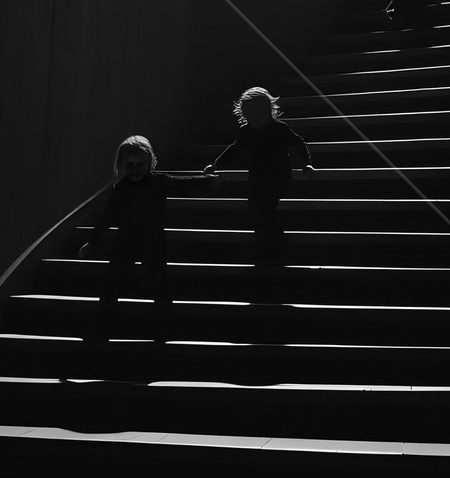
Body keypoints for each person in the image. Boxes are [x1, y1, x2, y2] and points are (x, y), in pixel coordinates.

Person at [79, 135, 211, 356]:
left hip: (153, 241)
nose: (134, 169)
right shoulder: (120, 188)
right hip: (126, 241)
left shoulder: (159, 182)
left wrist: (206, 179)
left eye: (139, 164)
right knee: (112, 285)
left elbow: (184, 184)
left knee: (159, 285)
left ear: (150, 163)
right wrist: (93, 241)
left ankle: (163, 331)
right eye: (129, 165)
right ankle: (100, 332)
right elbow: (108, 216)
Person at [203, 88, 315, 266]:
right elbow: (235, 149)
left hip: (278, 175)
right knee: (256, 212)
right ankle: (267, 246)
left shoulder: (280, 128)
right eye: (249, 116)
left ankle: (278, 245)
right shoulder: (246, 131)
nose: (253, 120)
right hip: (257, 176)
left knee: (265, 211)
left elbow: (298, 143)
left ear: (268, 112)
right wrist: (216, 164)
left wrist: (306, 163)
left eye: (258, 115)